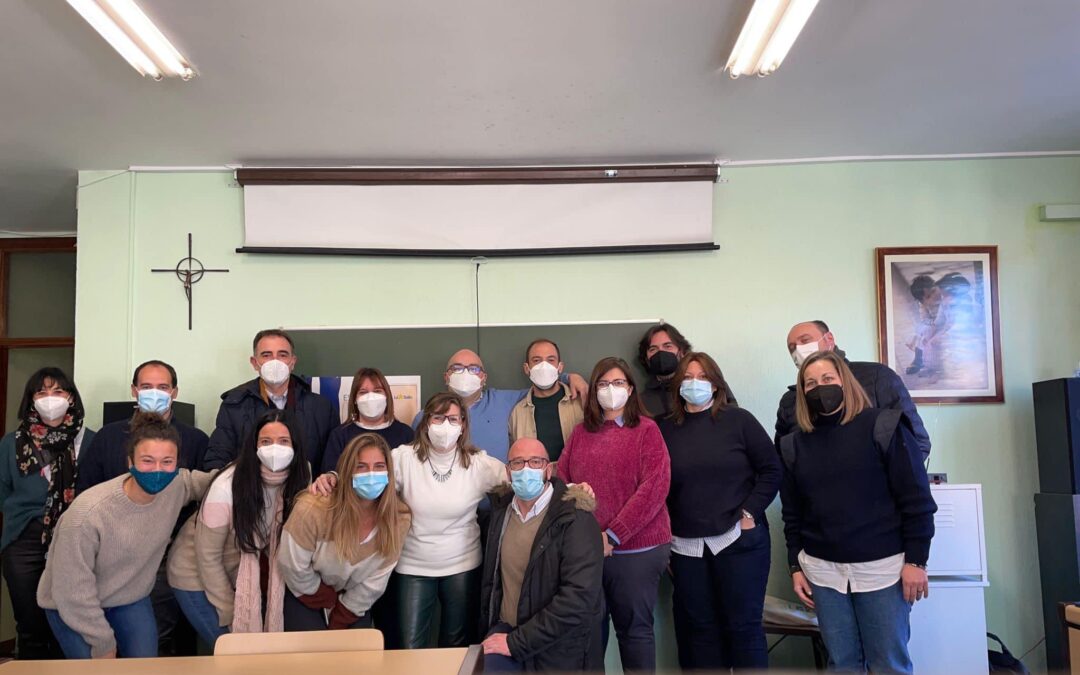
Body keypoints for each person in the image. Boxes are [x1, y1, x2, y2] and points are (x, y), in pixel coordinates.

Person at [779, 350, 936, 674]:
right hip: (823, 574)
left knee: (888, 664)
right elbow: (792, 513)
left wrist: (916, 561)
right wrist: (795, 564)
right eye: (810, 383)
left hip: (884, 571)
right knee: (842, 664)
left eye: (827, 379)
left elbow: (917, 501)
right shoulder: (794, 445)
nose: (819, 388)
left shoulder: (884, 426)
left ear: (845, 382)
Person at [316, 392, 507, 648]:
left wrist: (570, 486)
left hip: (463, 565)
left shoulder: (478, 464)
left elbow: (521, 476)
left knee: (456, 642)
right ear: (426, 422)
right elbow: (367, 471)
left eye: (452, 419)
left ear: (463, 424)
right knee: (410, 644)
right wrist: (332, 477)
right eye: (438, 418)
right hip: (412, 566)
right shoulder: (404, 458)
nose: (445, 426)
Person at [36, 413, 215, 659]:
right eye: (148, 461)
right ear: (130, 461)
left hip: (130, 597)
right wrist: (103, 643)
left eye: (167, 462)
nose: (158, 470)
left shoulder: (175, 486)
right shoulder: (87, 514)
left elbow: (206, 482)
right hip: (73, 605)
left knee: (143, 666)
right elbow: (71, 590)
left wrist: (246, 474)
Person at [657, 352, 781, 671]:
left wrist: (749, 514)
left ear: (716, 384)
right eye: (687, 377)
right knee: (699, 633)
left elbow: (771, 469)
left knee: (744, 629)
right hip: (685, 547)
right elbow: (654, 487)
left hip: (738, 542)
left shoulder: (739, 421)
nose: (694, 383)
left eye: (702, 377)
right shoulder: (662, 429)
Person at [75, 360, 208, 656]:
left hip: (165, 555)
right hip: (110, 556)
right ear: (134, 391)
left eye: (162, 387)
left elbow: (202, 499)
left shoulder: (195, 440)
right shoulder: (108, 437)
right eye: (146, 387)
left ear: (175, 391)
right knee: (112, 637)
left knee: (161, 637)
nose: (154, 393)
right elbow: (86, 490)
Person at [558, 356, 672, 672]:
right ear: (594, 391)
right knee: (588, 635)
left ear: (631, 388)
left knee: (634, 632)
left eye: (618, 382)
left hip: (638, 550)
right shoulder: (581, 433)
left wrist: (613, 534)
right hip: (589, 552)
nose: (611, 390)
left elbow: (654, 489)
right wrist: (590, 538)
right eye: (604, 384)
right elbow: (563, 484)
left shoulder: (647, 431)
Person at [168, 409, 311, 647]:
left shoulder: (301, 475)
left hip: (235, 572)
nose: (274, 448)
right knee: (234, 651)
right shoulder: (226, 486)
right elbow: (208, 558)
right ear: (254, 446)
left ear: (295, 444)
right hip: (193, 575)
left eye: (283, 441)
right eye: (265, 441)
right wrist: (229, 610)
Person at [479, 438, 604, 672]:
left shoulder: (575, 519)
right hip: (507, 632)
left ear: (548, 470)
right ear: (508, 471)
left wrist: (516, 643)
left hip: (559, 646)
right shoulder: (500, 514)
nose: (526, 469)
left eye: (535, 462)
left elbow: (578, 599)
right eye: (517, 463)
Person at [0, 368, 94, 660]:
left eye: (58, 391)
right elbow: (4, 492)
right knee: (29, 623)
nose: (50, 399)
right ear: (31, 399)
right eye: (42, 392)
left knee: (71, 622)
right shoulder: (11, 442)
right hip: (23, 539)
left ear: (71, 397)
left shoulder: (89, 440)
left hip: (75, 538)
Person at [279, 433, 412, 631]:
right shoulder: (312, 508)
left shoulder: (399, 518)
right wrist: (324, 597)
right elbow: (292, 565)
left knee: (358, 656)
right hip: (305, 592)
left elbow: (376, 581)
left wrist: (343, 613)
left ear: (389, 472)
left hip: (354, 601)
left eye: (379, 466)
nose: (371, 474)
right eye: (361, 466)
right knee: (309, 657)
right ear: (347, 470)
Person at [775, 320, 931, 460]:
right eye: (792, 347)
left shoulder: (877, 377)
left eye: (805, 341)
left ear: (829, 339)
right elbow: (783, 458)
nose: (798, 350)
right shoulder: (791, 400)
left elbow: (916, 442)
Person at [412, 348, 587, 463]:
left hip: (497, 503)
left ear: (484, 378)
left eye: (474, 369)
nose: (465, 373)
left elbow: (543, 385)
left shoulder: (503, 401)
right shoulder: (426, 418)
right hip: (452, 508)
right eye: (457, 368)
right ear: (446, 377)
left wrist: (569, 377)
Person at [205, 328, 337, 471]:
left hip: (304, 490)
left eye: (282, 355)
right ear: (255, 363)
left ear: (293, 362)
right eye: (267, 355)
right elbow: (217, 458)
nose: (275, 362)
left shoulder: (321, 408)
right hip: (250, 491)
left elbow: (334, 462)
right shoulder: (234, 405)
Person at [318, 367, 414, 476]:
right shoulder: (340, 435)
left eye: (377, 391)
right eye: (363, 392)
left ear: (387, 396)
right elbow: (330, 476)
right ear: (354, 399)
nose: (371, 397)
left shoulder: (406, 434)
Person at [507, 339, 585, 466]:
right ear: (527, 368)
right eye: (537, 360)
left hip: (577, 482)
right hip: (537, 483)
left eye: (551, 360)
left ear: (560, 367)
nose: (544, 366)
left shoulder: (581, 402)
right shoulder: (517, 414)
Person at [637, 323, 693, 418]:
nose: (661, 352)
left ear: (682, 352)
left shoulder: (700, 387)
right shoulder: (642, 402)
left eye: (668, 346)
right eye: (653, 349)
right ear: (646, 358)